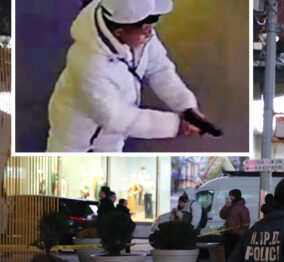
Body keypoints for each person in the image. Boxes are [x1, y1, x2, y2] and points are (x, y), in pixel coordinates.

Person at [46, 0, 216, 152]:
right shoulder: (87, 62)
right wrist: (176, 126)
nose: (150, 33)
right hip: (74, 129)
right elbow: (117, 116)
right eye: (145, 28)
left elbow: (160, 70)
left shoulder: (141, 37)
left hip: (113, 134)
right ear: (119, 32)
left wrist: (186, 107)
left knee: (108, 161)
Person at [219, 189, 250, 262]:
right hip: (229, 234)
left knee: (236, 255)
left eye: (232, 195)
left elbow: (246, 222)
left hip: (237, 236)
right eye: (230, 195)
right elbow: (223, 215)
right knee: (228, 254)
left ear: (236, 196)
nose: (230, 197)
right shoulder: (230, 206)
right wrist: (225, 207)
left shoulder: (242, 208)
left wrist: (238, 232)